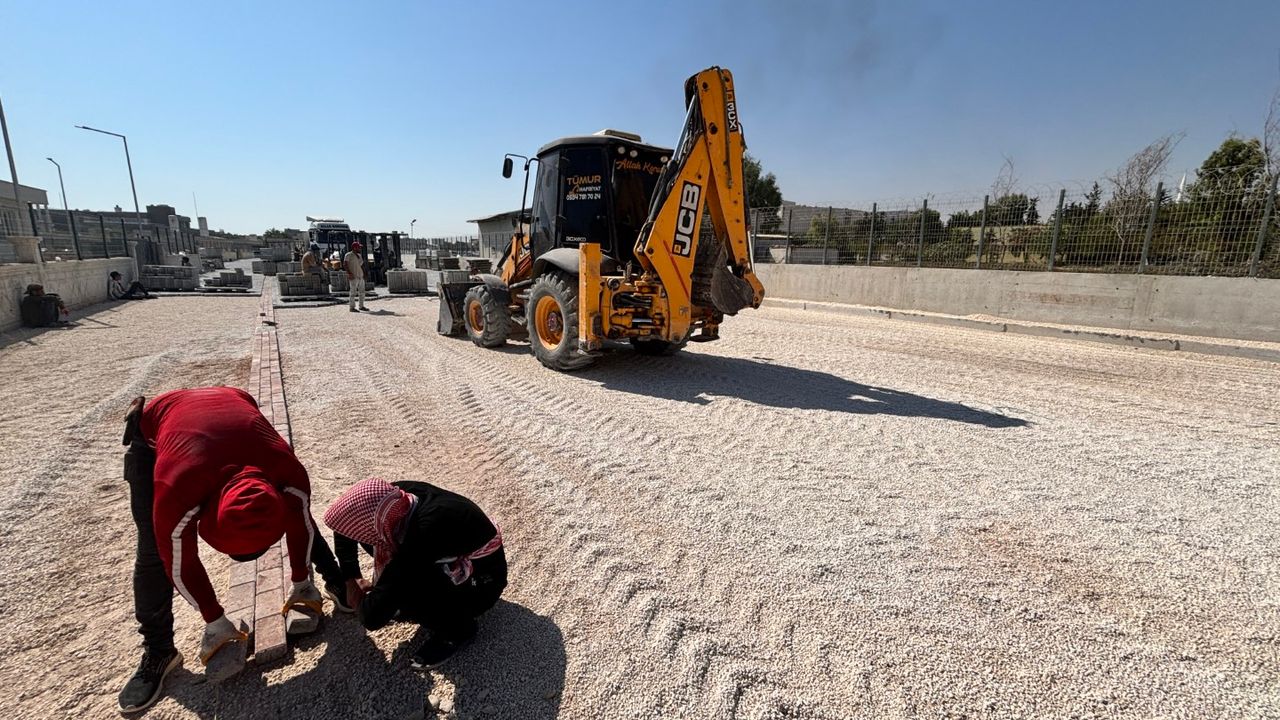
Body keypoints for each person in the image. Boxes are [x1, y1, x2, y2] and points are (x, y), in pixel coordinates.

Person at [117, 387, 346, 713]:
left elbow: (301, 523)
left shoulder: (286, 469)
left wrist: (301, 582)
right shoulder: (177, 490)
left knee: (300, 511)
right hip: (158, 430)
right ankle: (159, 651)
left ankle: (331, 581)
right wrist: (214, 620)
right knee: (154, 551)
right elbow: (177, 560)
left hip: (233, 405)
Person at [321, 478, 506, 669]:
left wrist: (363, 601)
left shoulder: (425, 532)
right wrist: (352, 578)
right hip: (435, 551)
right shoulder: (394, 497)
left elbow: (372, 617)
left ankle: (458, 631)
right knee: (393, 565)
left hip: (483, 583)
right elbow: (345, 524)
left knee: (410, 593)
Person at [344, 241, 368, 312]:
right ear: (354, 248)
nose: (360, 248)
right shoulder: (348, 255)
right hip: (353, 276)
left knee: (362, 292)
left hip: (360, 275)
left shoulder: (359, 256)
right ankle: (352, 307)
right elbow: (345, 264)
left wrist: (364, 273)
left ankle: (361, 306)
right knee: (353, 292)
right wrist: (349, 273)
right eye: (358, 247)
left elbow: (361, 265)